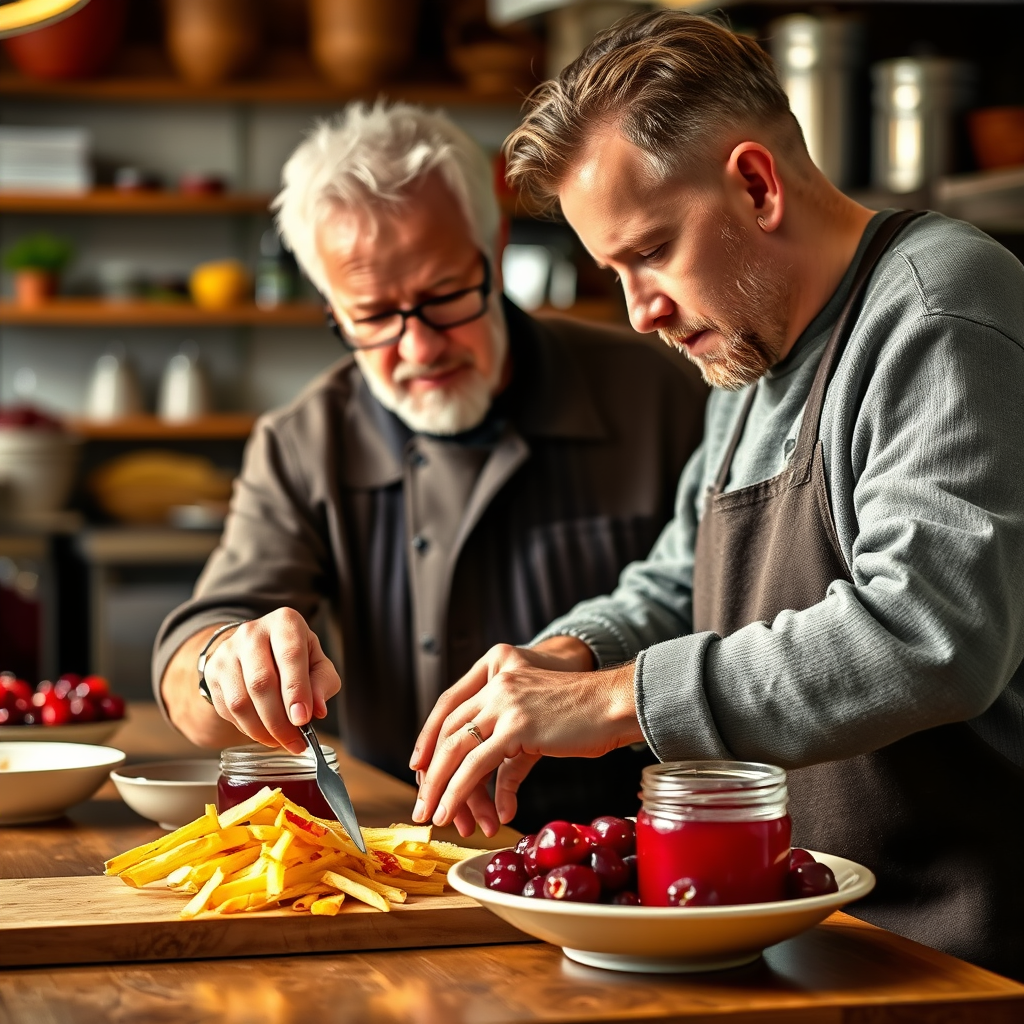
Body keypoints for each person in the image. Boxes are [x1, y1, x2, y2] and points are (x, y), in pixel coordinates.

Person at [409, 11, 1024, 979]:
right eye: (614, 270)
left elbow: (929, 633)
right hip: (814, 931)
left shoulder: (939, 306)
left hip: (962, 951)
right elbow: (675, 581)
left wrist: (617, 700)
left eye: (649, 250)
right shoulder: (749, 346)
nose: (637, 309)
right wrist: (566, 657)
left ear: (754, 182)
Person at [152, 101, 707, 836]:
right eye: (375, 317)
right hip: (421, 856)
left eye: (444, 297)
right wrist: (224, 659)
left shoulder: (663, 389)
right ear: (330, 304)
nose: (418, 348)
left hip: (651, 851)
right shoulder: (304, 440)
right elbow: (193, 656)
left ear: (496, 245)